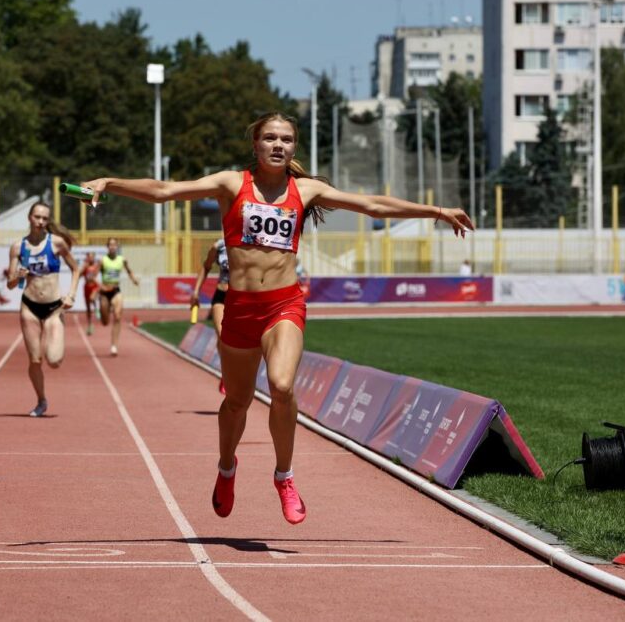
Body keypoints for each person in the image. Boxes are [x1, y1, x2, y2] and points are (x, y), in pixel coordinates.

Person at [80, 112, 472, 524]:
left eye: (286, 139)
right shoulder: (232, 183)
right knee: (237, 402)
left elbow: (371, 203)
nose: (278, 145)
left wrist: (437, 211)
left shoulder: (306, 190)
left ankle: (284, 476)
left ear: (294, 147)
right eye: (270, 138)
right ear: (256, 145)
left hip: (283, 304)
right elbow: (164, 191)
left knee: (282, 386)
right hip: (240, 309)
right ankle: (226, 468)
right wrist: (109, 182)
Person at [6, 201, 81, 417]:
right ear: (29, 218)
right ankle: (41, 400)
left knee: (55, 361)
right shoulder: (18, 248)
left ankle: (52, 334)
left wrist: (71, 294)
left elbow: (76, 269)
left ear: (48, 221)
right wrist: (17, 276)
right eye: (37, 217)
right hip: (29, 306)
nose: (40, 221)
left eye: (44, 218)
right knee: (35, 360)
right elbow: (10, 284)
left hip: (54, 308)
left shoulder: (56, 243)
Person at [192, 238, 230, 393]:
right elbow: (206, 267)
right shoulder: (218, 246)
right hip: (221, 296)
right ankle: (226, 373)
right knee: (222, 335)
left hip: (241, 298)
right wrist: (195, 292)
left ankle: (235, 373)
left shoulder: (248, 242)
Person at [98, 237, 139, 356]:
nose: (112, 247)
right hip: (105, 292)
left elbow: (129, 270)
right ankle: (104, 314)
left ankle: (114, 346)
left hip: (116, 290)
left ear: (117, 247)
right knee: (105, 322)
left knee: (117, 316)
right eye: (110, 245)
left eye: (114, 245)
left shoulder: (122, 260)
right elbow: (94, 274)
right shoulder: (102, 260)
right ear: (107, 247)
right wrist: (98, 286)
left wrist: (134, 279)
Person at [81, 251, 102, 335]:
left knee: (92, 298)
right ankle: (89, 325)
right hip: (86, 287)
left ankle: (97, 309)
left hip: (94, 286)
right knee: (88, 308)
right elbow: (80, 274)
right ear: (87, 258)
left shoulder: (96, 266)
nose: (91, 258)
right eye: (89, 257)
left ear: (94, 258)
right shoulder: (85, 266)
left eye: (92, 257)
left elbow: (95, 275)